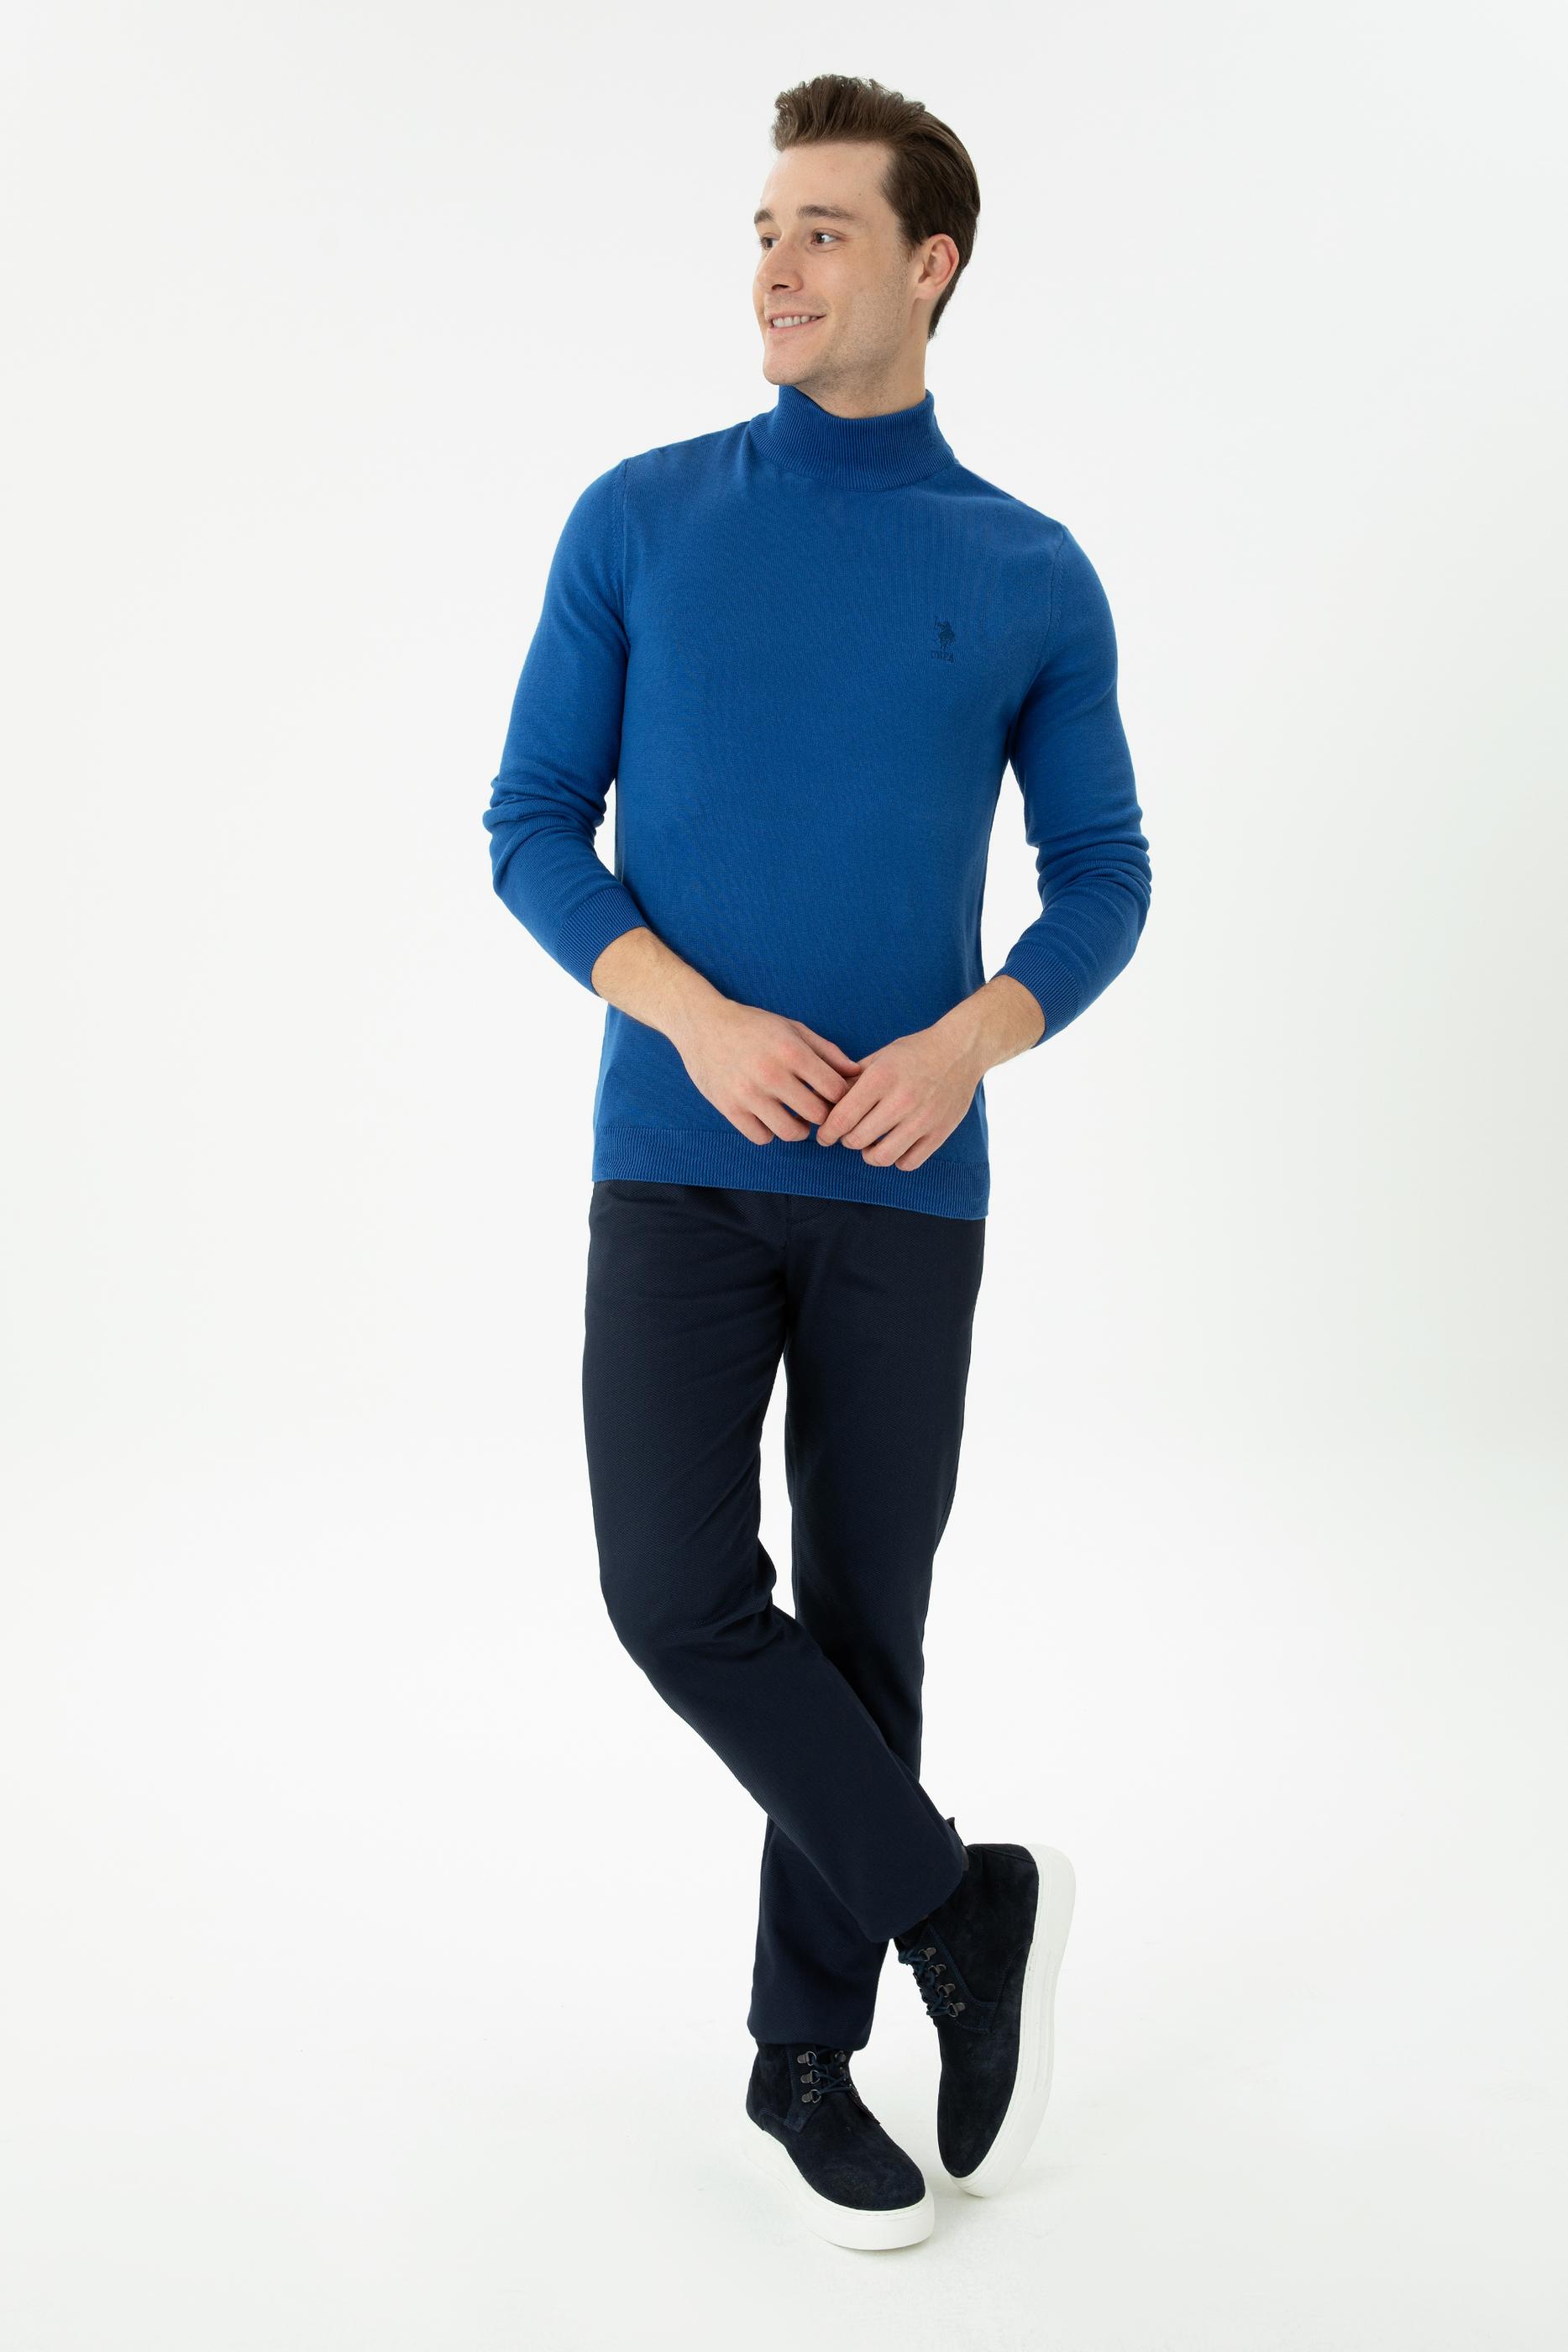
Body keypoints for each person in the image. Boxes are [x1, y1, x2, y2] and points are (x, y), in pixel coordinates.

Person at [482, 71, 1151, 2250]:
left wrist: (969, 1040)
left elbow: (1104, 878)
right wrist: (692, 1014)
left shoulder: (1026, 569)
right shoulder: (640, 519)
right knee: (674, 1595)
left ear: (928, 267)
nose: (774, 266)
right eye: (762, 229)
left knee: (867, 1624)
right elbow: (529, 825)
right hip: (674, 1165)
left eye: (823, 230)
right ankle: (957, 1904)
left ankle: (801, 2056)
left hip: (908, 1185)